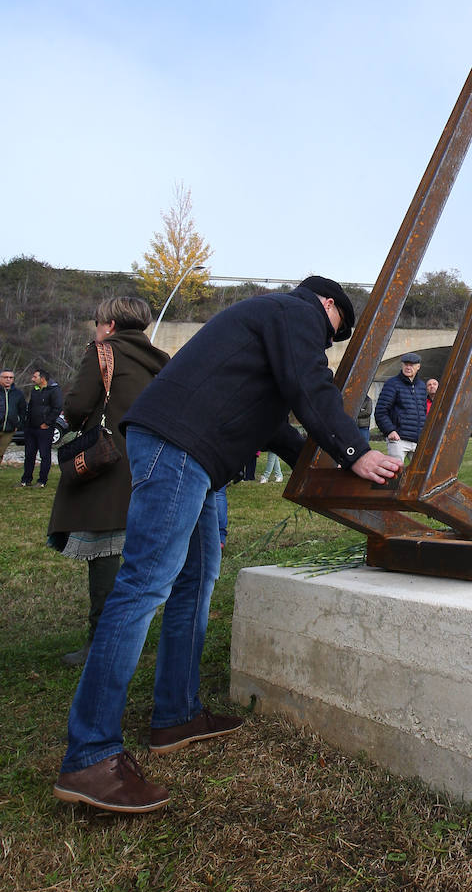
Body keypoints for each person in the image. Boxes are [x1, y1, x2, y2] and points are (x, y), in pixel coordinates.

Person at [53, 275, 401, 816]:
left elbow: (279, 425)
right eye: (335, 332)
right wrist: (355, 449)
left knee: (194, 582)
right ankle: (90, 755)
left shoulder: (262, 326)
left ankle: (177, 713)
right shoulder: (292, 311)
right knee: (143, 587)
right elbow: (309, 384)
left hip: (195, 455)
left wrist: (323, 467)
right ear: (327, 304)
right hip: (177, 447)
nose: (328, 343)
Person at [48, 297, 169, 667]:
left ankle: (100, 643)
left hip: (108, 464)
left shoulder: (102, 352)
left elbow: (79, 404)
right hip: (150, 465)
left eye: (98, 322)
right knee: (138, 556)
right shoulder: (162, 362)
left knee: (103, 553)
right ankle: (131, 633)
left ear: (110, 325)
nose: (97, 329)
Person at [375, 351, 427, 461]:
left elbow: (423, 411)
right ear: (402, 365)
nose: (408, 367)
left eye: (411, 365)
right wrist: (389, 431)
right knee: (395, 475)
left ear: (418, 367)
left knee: (421, 475)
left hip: (418, 440)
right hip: (398, 439)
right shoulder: (392, 384)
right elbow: (381, 411)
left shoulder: (422, 386)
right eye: (405, 364)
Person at [21, 366, 62, 487]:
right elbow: (31, 406)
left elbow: (57, 408)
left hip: (44, 429)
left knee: (44, 455)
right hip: (31, 428)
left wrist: (47, 423)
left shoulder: (54, 390)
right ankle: (26, 479)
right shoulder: (35, 390)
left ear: (42, 378)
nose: (32, 379)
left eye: (35, 377)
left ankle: (42, 480)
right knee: (29, 454)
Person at [0, 367, 27, 464]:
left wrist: (18, 424)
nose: (8, 379)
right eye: (5, 377)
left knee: (1, 453)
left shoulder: (18, 394)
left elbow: (23, 411)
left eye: (11, 378)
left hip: (9, 430)